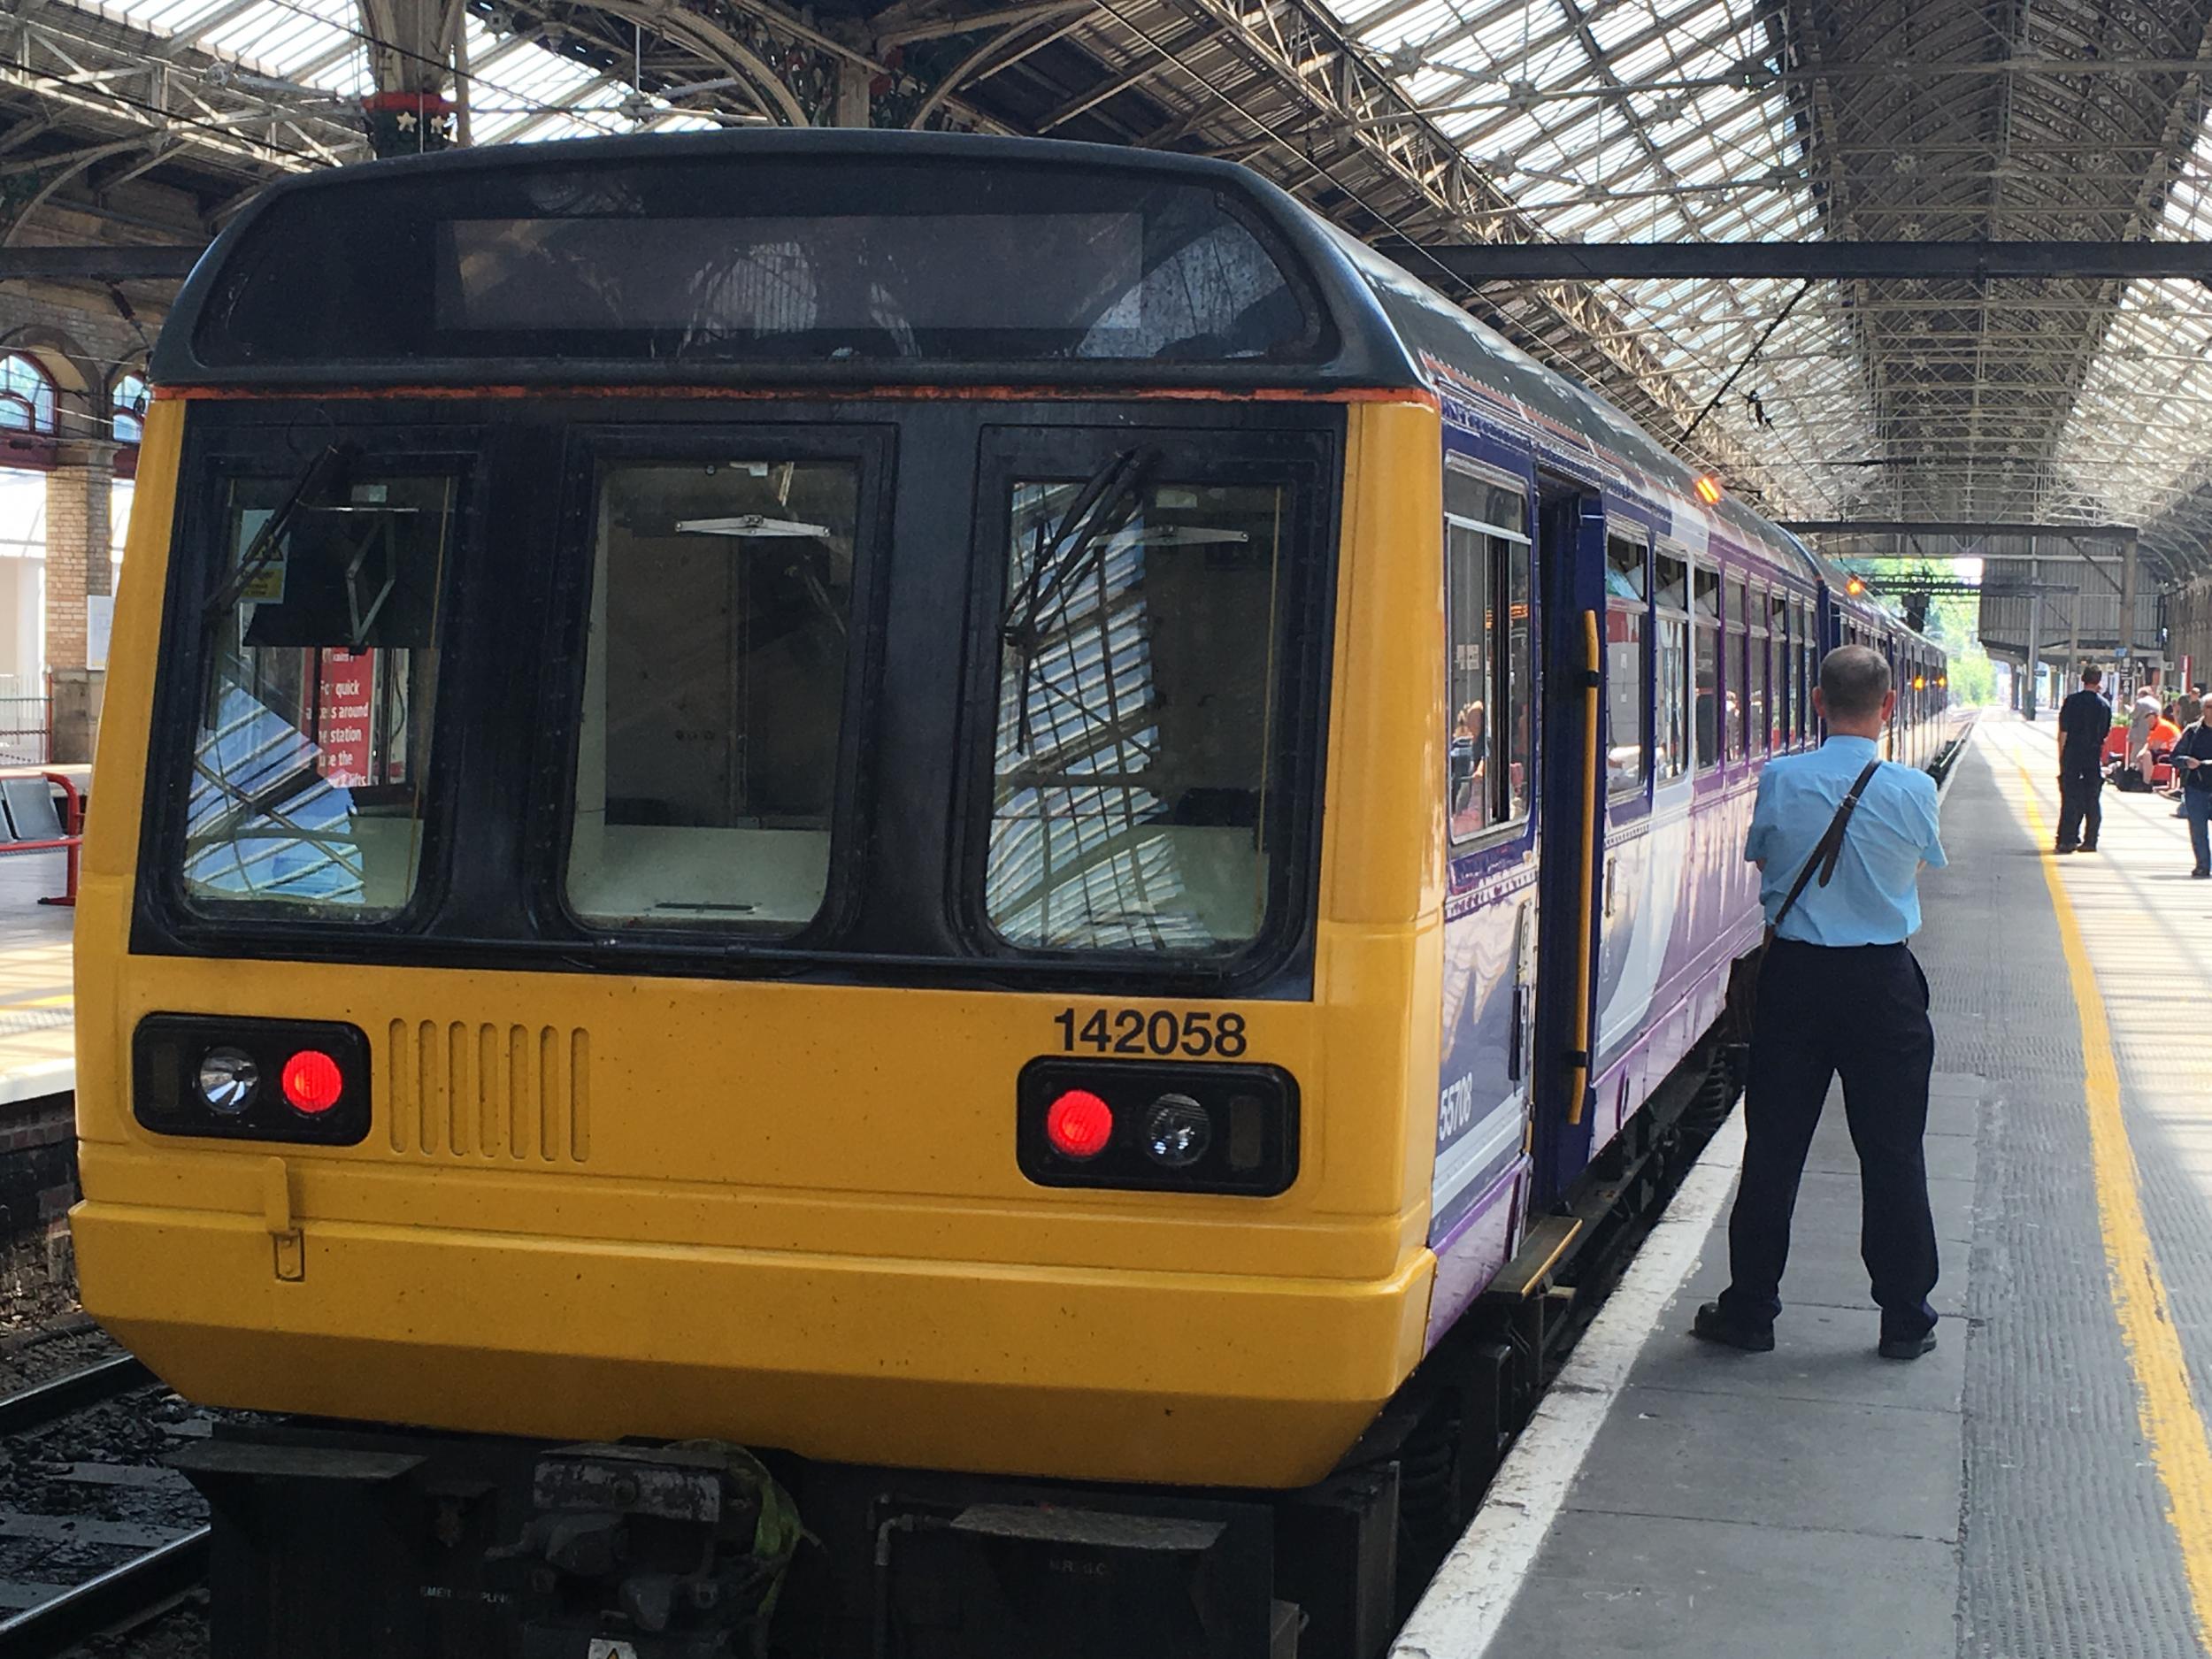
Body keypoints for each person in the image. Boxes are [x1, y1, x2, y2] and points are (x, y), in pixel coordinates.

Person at [1694, 645, 1948, 1362]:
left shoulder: (1783, 778)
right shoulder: (1914, 789)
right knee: (1894, 1152)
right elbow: (1919, 862)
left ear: (1815, 701)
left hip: (1798, 983)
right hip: (1884, 988)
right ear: (1890, 704)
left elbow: (1766, 859)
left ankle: (1751, 1310)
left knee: (1773, 1148)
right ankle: (1904, 1317)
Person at [2055, 666, 2112, 853]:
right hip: (2092, 755)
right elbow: (2105, 734)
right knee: (2092, 799)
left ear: (2082, 679)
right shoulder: (2104, 705)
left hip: (2072, 754)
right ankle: (2090, 840)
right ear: (2099, 682)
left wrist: (2061, 757)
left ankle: (2067, 839)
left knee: (2070, 797)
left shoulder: (2071, 702)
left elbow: (2063, 732)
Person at [2177, 710, 2212, 878]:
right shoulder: (2192, 732)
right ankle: (2203, 865)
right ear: (2203, 709)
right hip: (2196, 787)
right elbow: (2175, 756)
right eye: (2209, 706)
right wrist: (2186, 761)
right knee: (2198, 829)